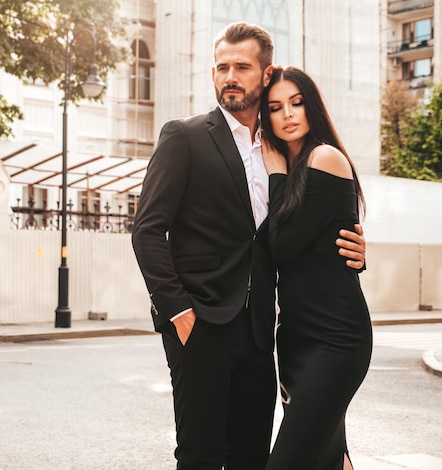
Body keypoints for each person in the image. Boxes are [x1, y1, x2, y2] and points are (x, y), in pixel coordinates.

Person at [131, 22, 366, 470]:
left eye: (242, 66)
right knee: (200, 456)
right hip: (200, 324)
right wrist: (178, 311)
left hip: (262, 333)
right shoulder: (185, 136)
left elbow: (308, 226)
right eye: (222, 67)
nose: (230, 76)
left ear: (265, 72)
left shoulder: (284, 150)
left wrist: (355, 246)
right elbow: (146, 229)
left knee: (252, 457)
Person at [260, 65, 373, 470]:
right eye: (275, 107)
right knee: (328, 460)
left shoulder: (324, 158)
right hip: (294, 339)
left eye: (297, 102)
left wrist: (275, 176)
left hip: (335, 338)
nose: (288, 114)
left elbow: (282, 248)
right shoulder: (287, 171)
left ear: (313, 107)